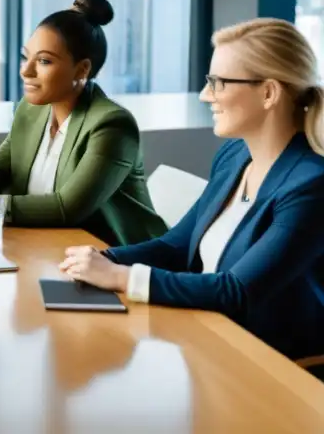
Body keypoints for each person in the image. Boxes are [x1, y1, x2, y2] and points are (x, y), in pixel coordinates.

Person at [60, 18, 324, 360]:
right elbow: (175, 245)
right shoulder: (234, 156)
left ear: (269, 93)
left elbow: (237, 291)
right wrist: (101, 260)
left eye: (219, 83)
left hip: (274, 362)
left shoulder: (310, 185)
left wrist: (122, 277)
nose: (205, 95)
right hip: (211, 338)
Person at [0, 0, 166, 246]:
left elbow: (68, 208)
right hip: (50, 249)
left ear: (82, 69)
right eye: (25, 57)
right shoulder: (31, 109)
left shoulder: (112, 126)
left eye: (44, 61)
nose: (25, 71)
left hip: (123, 262)